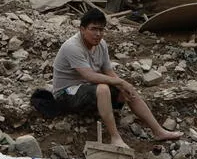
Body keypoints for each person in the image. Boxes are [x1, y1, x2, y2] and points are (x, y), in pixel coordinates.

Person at [52, 8, 183, 147]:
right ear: (82, 29)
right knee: (103, 89)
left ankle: (158, 131)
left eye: (101, 30)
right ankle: (115, 138)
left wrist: (123, 85)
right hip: (65, 94)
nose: (98, 34)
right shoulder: (72, 47)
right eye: (93, 29)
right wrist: (119, 81)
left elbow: (108, 71)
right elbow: (89, 76)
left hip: (87, 90)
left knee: (126, 89)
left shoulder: (101, 45)